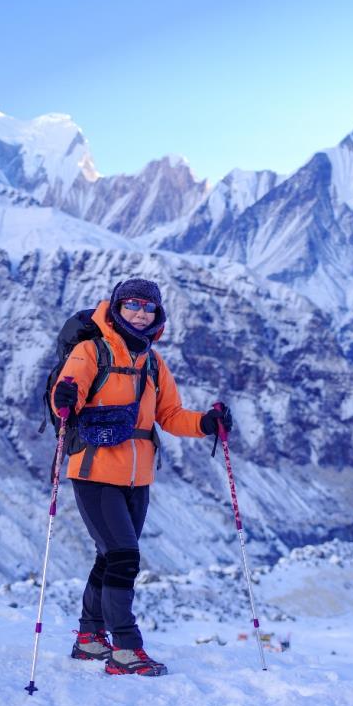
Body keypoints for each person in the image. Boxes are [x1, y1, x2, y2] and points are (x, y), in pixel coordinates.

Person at [49, 277, 232, 677]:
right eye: (132, 304)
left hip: (137, 479)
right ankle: (126, 649)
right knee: (124, 557)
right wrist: (63, 399)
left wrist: (207, 423)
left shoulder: (152, 362)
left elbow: (170, 416)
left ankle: (89, 638)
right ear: (117, 307)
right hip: (95, 471)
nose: (140, 313)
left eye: (148, 307)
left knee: (109, 556)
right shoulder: (90, 350)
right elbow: (67, 395)